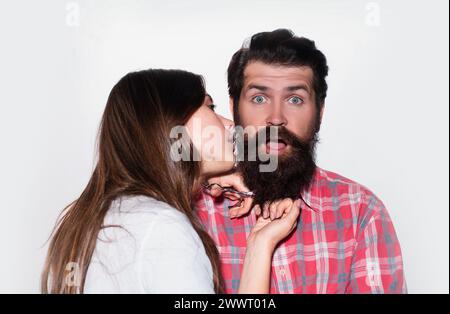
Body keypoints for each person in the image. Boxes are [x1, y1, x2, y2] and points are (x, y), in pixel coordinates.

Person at [41, 69, 300, 293]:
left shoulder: (98, 218)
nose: (230, 124)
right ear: (174, 124)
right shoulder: (162, 226)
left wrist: (259, 243)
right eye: (210, 107)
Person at [196, 29, 407, 294]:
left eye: (295, 99)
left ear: (320, 112)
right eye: (259, 98)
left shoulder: (361, 213)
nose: (275, 118)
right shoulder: (194, 213)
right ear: (234, 109)